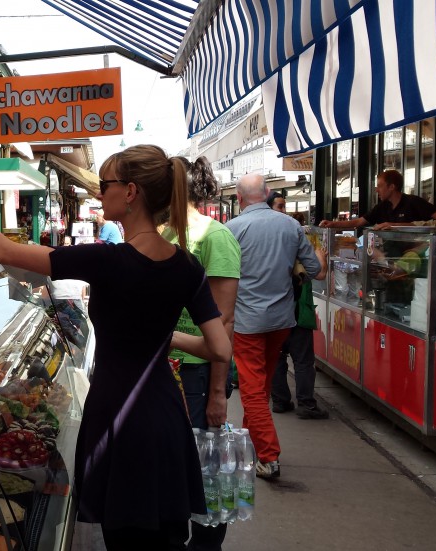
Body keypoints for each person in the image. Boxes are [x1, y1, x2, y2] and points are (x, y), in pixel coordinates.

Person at [0, 144, 231, 550]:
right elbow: (219, 348)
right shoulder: (187, 265)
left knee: (127, 539)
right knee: (164, 538)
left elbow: (5, 251)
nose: (100, 193)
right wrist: (156, 336)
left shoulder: (108, 260)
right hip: (167, 420)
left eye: (106, 185)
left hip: (120, 420)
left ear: (130, 192)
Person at [165, 156, 240, 551]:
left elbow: (223, 323)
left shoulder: (215, 237)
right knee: (176, 467)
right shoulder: (162, 234)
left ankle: (206, 545)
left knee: (203, 469)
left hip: (196, 375)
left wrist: (216, 394)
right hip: (167, 372)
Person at [225, 173, 322, 479]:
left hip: (247, 321)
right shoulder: (291, 225)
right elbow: (316, 268)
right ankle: (250, 445)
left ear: (239, 199)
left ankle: (268, 456)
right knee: (261, 385)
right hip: (281, 320)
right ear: (266, 193)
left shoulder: (232, 229)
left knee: (253, 390)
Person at [271, 211, 330, 419]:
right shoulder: (301, 248)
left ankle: (280, 400)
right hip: (297, 312)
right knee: (303, 360)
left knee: (277, 358)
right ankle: (306, 403)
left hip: (275, 313)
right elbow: (319, 273)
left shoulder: (272, 249)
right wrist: (321, 257)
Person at [319, 169, 436, 228]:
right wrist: (333, 224)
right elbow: (359, 222)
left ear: (392, 187)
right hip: (390, 259)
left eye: (379, 186)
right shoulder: (382, 206)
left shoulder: (414, 202)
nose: (376, 190)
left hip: (415, 259)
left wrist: (395, 225)